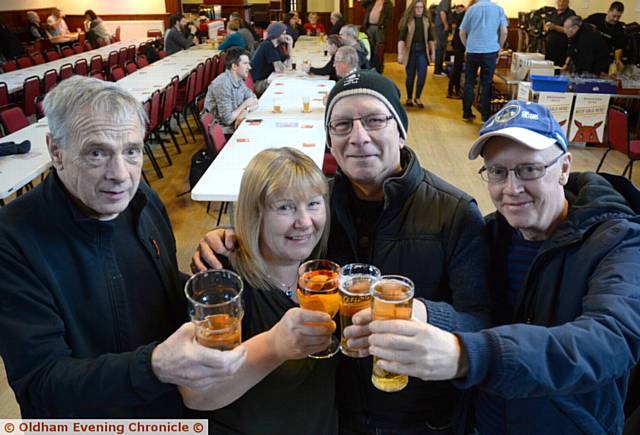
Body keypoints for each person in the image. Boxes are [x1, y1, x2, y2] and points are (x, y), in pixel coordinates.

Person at [192, 71, 491, 434]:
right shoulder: (321, 204)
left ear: (400, 131)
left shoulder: (455, 212)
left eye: (374, 120)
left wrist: (424, 314)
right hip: (337, 413)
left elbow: (483, 323)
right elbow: (278, 225)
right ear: (330, 143)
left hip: (417, 418)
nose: (359, 136)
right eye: (343, 124)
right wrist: (232, 237)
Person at [365, 100, 640, 434]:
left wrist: (468, 355)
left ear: (564, 167)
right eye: (497, 171)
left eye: (529, 169)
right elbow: (473, 312)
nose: (512, 189)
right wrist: (424, 313)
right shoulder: (489, 234)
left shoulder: (618, 242)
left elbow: (609, 341)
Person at [0, 76, 246, 418]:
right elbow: (42, 387)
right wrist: (154, 367)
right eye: (97, 153)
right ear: (56, 151)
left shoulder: (141, 197)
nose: (121, 174)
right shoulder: (13, 240)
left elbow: (152, 288)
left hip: (175, 402)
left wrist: (208, 270)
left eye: (131, 151)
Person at [180, 148, 338, 434]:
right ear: (255, 214)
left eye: (313, 204)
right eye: (285, 207)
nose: (304, 222)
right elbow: (196, 394)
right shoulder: (225, 284)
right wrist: (274, 346)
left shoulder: (324, 270)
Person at [460, 0, 508, 122]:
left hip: (472, 51)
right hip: (490, 51)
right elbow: (504, 31)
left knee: (469, 82)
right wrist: (499, 48)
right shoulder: (498, 9)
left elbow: (462, 32)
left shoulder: (471, 9)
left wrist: (467, 46)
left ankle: (466, 113)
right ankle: (485, 117)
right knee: (486, 84)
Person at [204, 47, 258, 136]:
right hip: (223, 132)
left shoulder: (238, 79)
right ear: (234, 66)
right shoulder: (223, 84)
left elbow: (254, 99)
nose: (250, 67)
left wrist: (245, 111)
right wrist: (245, 105)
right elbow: (227, 120)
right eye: (245, 63)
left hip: (235, 125)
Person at [398, 0, 431, 109]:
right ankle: (409, 97)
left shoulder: (426, 21)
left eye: (421, 7)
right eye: (416, 7)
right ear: (412, 9)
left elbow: (431, 39)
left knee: (422, 75)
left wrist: (433, 53)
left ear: (423, 8)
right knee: (410, 76)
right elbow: (401, 39)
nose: (419, 9)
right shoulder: (407, 21)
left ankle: (418, 97)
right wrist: (400, 54)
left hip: (422, 51)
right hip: (410, 51)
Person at [250, 22, 292, 95]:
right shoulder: (268, 46)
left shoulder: (277, 45)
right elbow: (279, 69)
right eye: (283, 34)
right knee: (288, 86)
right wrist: (284, 66)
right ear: (276, 34)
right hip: (259, 83)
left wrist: (290, 45)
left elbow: (289, 66)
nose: (286, 36)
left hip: (267, 78)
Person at [585, 1, 626, 71]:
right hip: (588, 53)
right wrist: (588, 26)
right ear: (609, 11)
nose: (616, 19)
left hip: (604, 58)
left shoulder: (619, 29)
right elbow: (580, 26)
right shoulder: (595, 18)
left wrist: (617, 59)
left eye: (619, 17)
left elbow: (618, 47)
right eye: (614, 16)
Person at [362, 0, 393, 73]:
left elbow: (390, 17)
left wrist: (383, 25)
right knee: (370, 47)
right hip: (370, 26)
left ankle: (378, 67)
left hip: (379, 28)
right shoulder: (372, 2)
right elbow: (363, 4)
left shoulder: (387, 4)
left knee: (379, 49)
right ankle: (370, 66)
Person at [447, 2, 469, 99]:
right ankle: (452, 90)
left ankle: (454, 90)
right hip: (460, 43)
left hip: (458, 42)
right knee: (457, 67)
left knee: (458, 67)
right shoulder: (466, 15)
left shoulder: (465, 14)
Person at [544, 0, 575, 67]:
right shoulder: (553, 13)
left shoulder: (571, 14)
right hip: (549, 48)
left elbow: (571, 31)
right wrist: (546, 28)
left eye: (564, 1)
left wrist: (555, 27)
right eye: (559, 1)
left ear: (568, 2)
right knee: (547, 69)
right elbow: (546, 25)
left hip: (562, 49)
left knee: (558, 71)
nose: (561, 3)